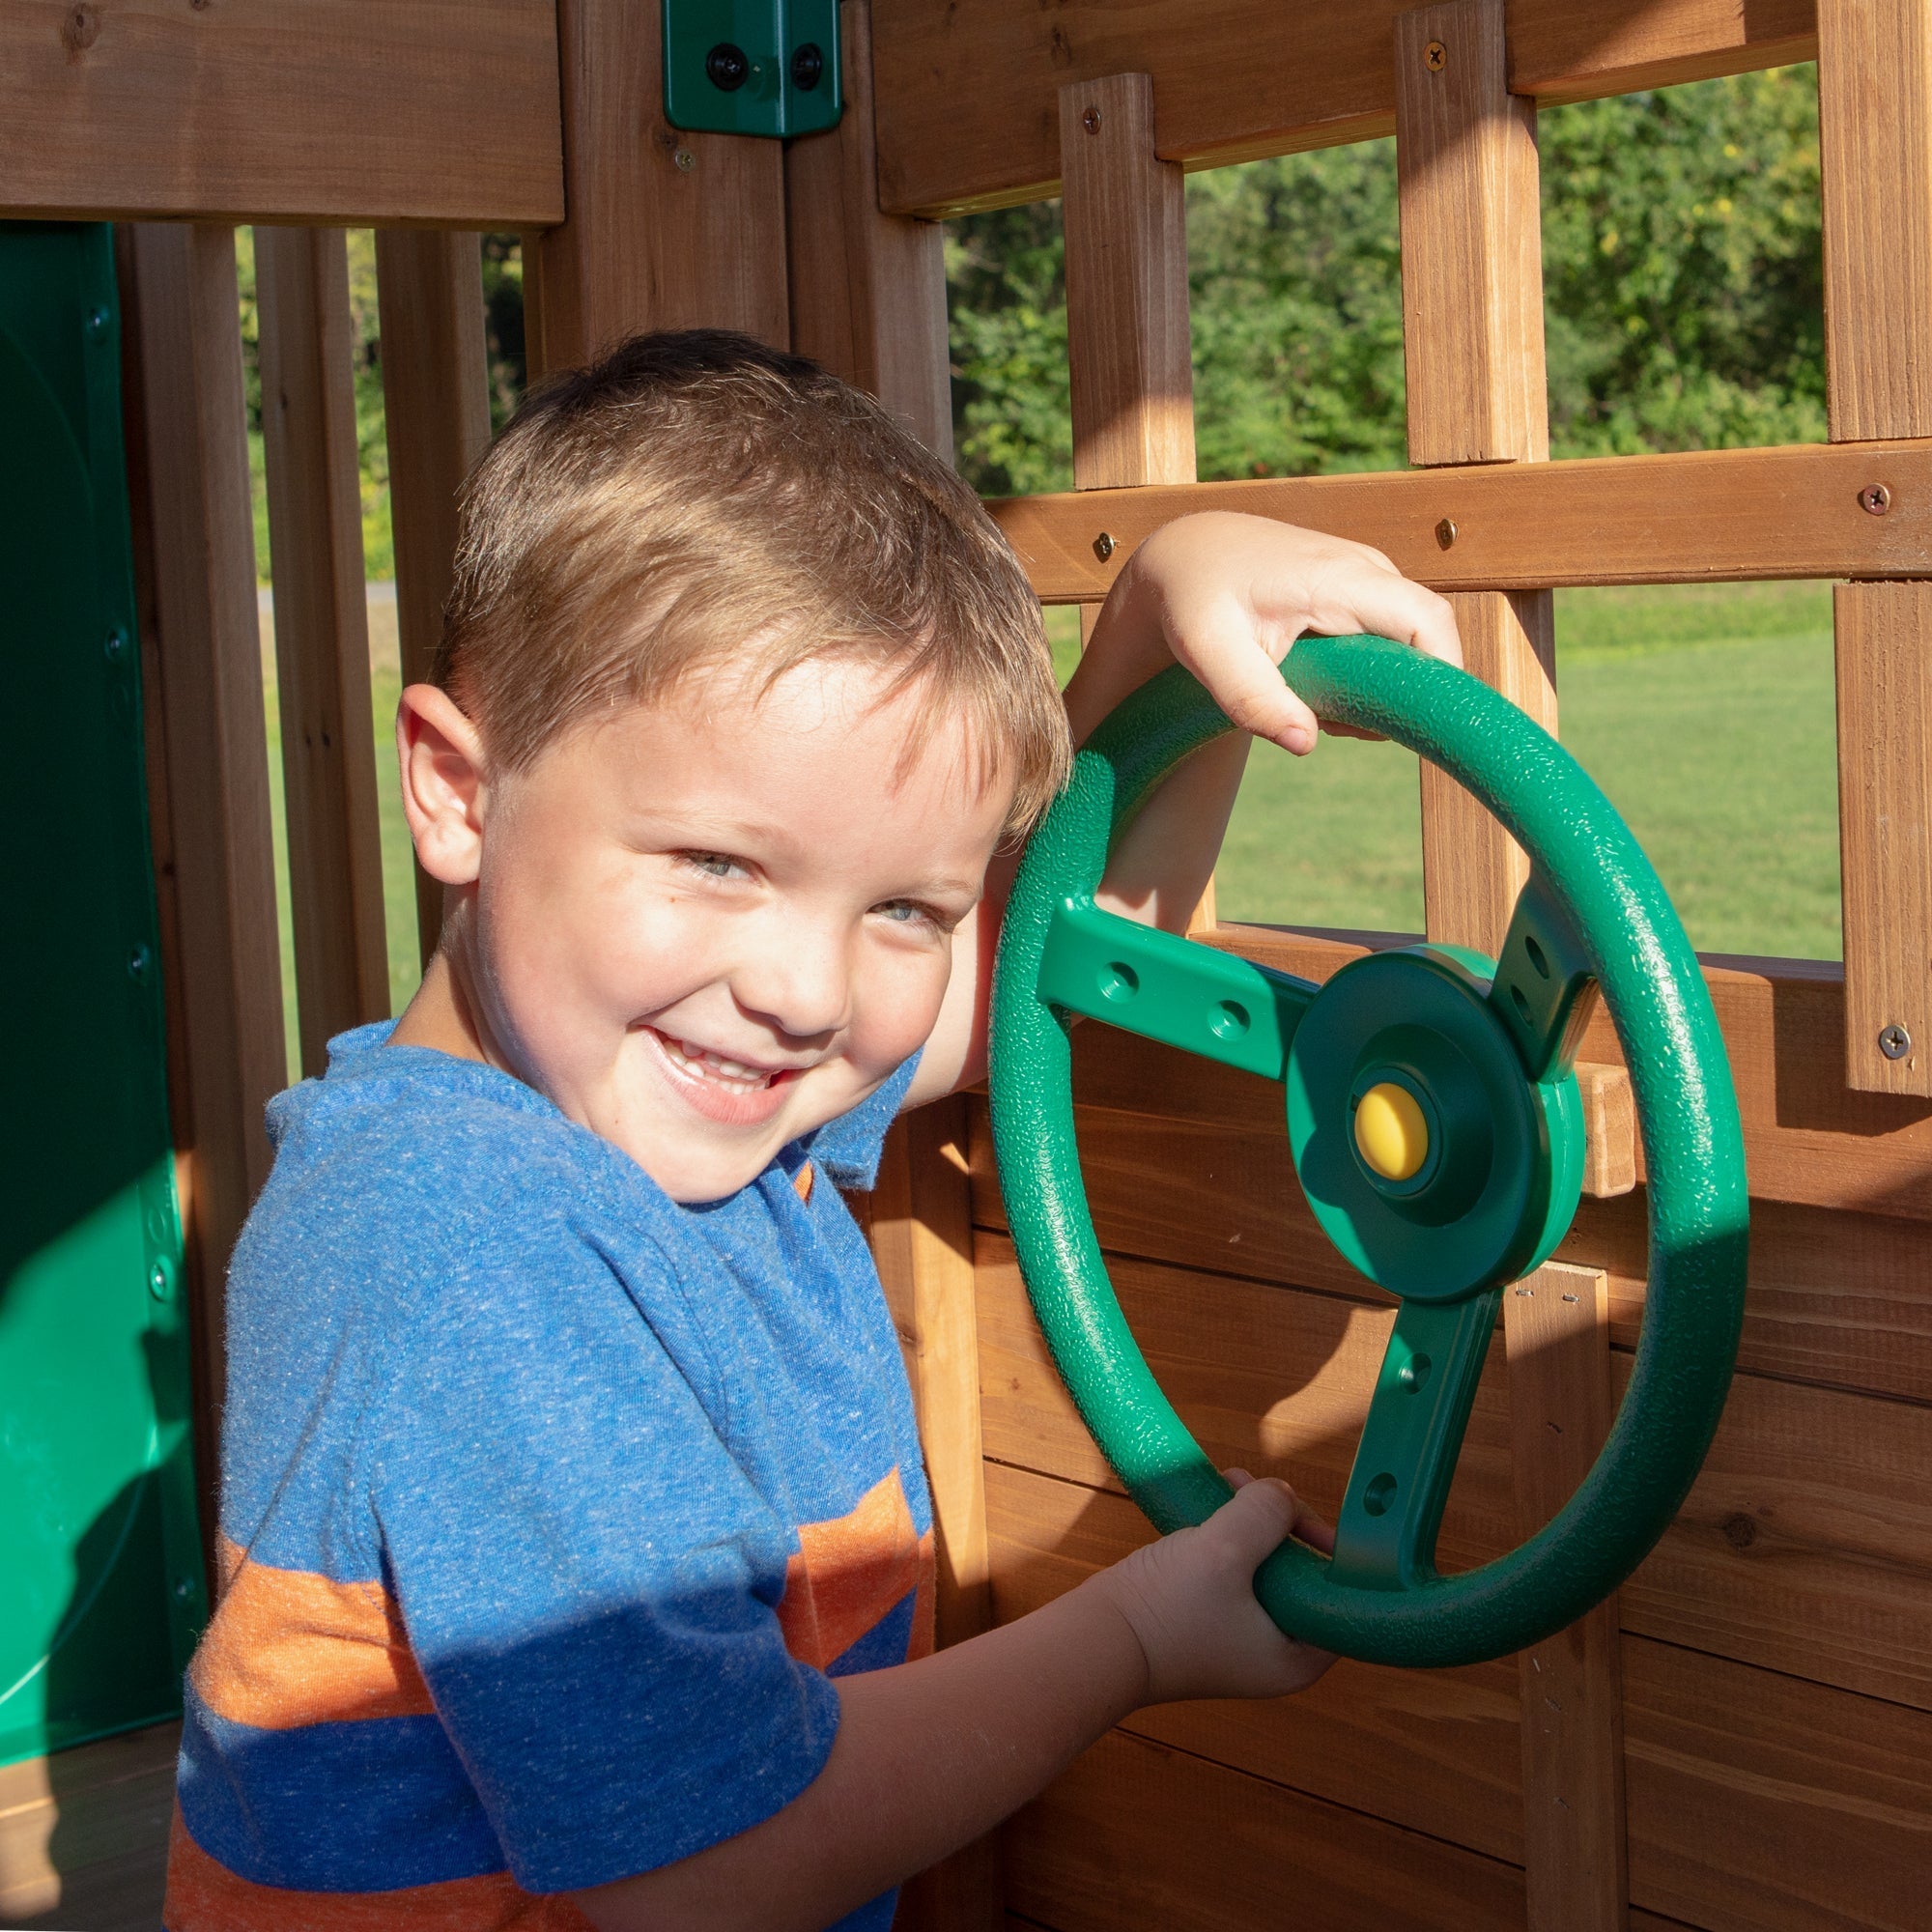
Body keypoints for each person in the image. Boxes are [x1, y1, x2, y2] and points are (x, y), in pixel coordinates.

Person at [162, 331, 1462, 1932]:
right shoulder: (465, 1249)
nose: (801, 991)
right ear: (456, 790)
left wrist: (1154, 627)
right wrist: (1132, 1642)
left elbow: (1040, 966)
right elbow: (704, 1868)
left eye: (904, 904)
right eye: (717, 861)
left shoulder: (648, 1101)